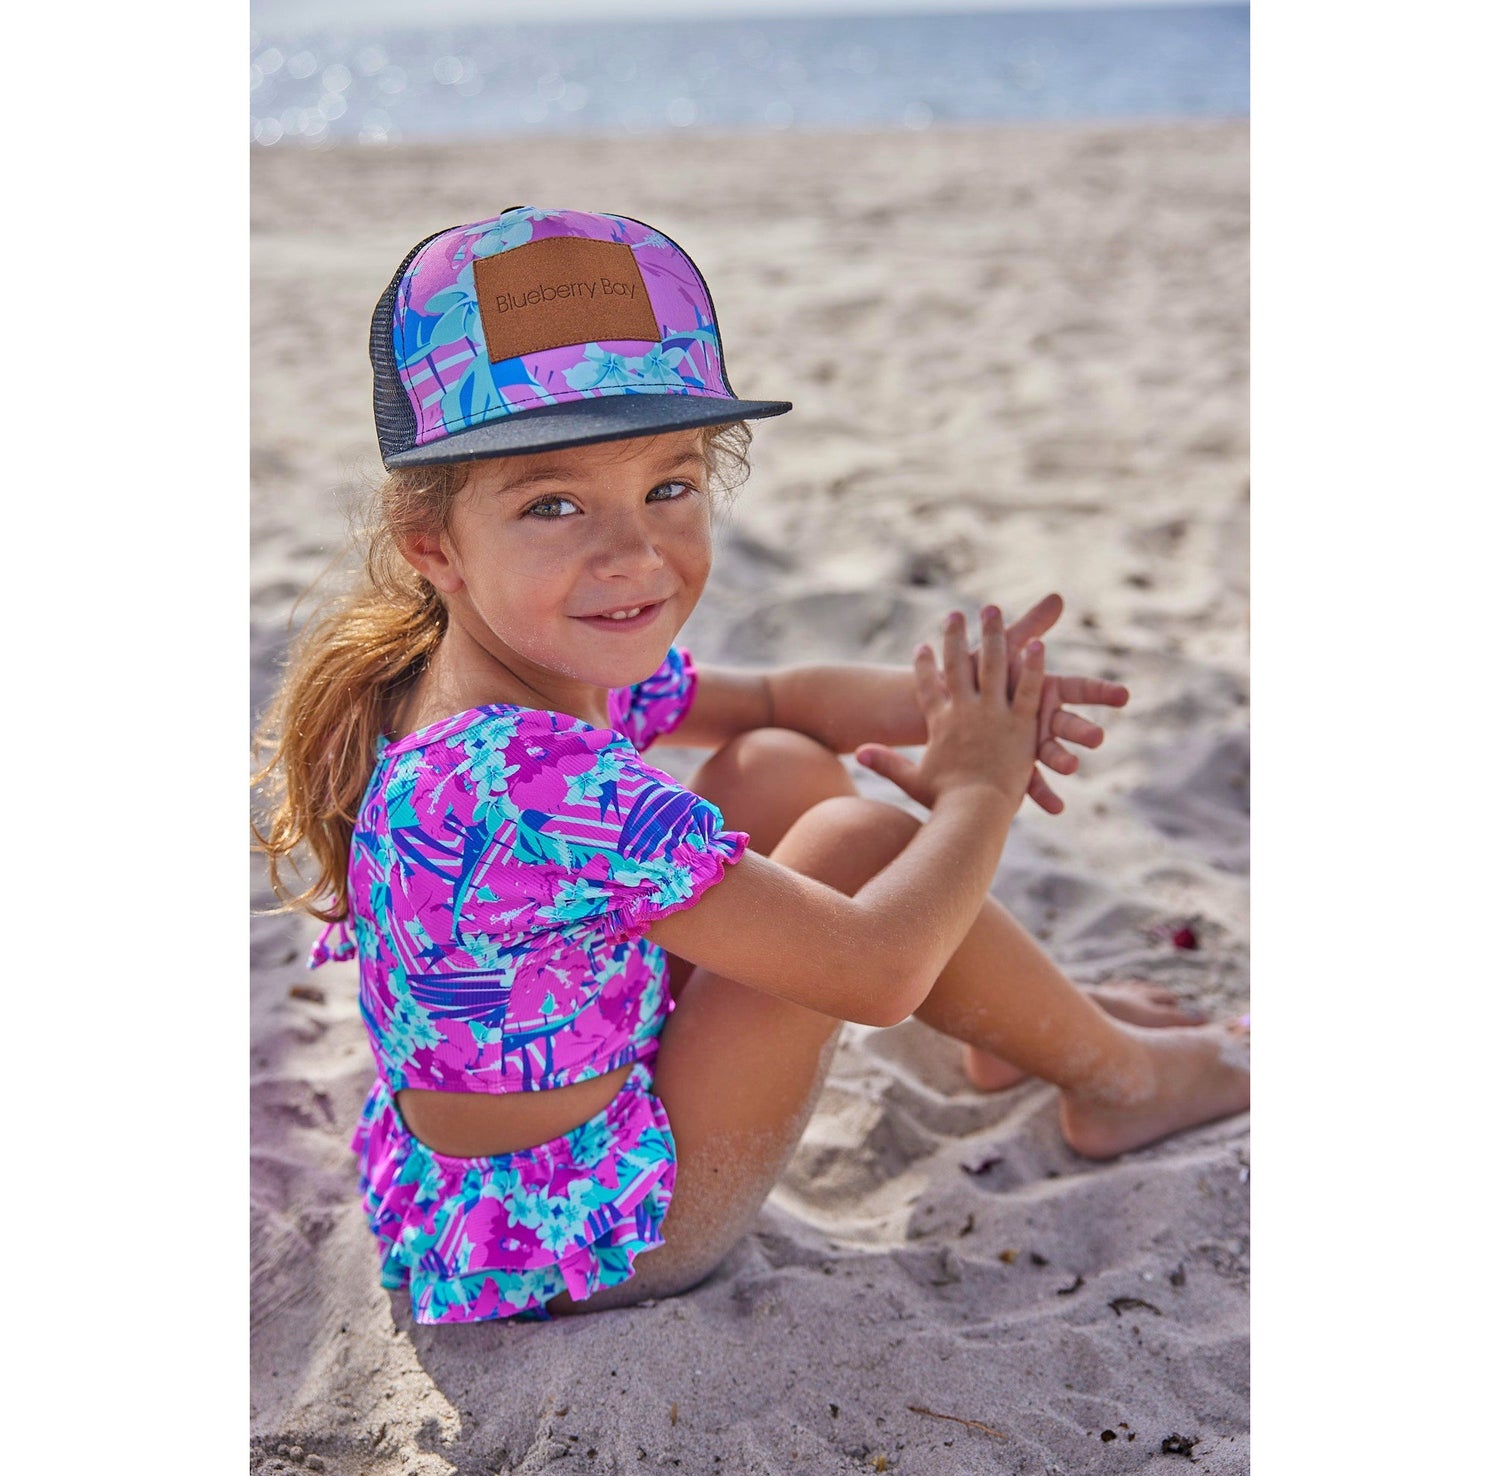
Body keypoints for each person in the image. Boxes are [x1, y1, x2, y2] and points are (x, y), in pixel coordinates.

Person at [251, 206, 1248, 1327]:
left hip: (491, 1171)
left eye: (668, 488)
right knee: (857, 842)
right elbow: (877, 974)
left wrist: (968, 712)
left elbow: (781, 702)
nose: (632, 552)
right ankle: (1122, 1081)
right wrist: (978, 786)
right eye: (553, 504)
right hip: (600, 1231)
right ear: (432, 542)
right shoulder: (527, 773)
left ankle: (1022, 1024)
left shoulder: (480, 666)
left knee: (773, 765)